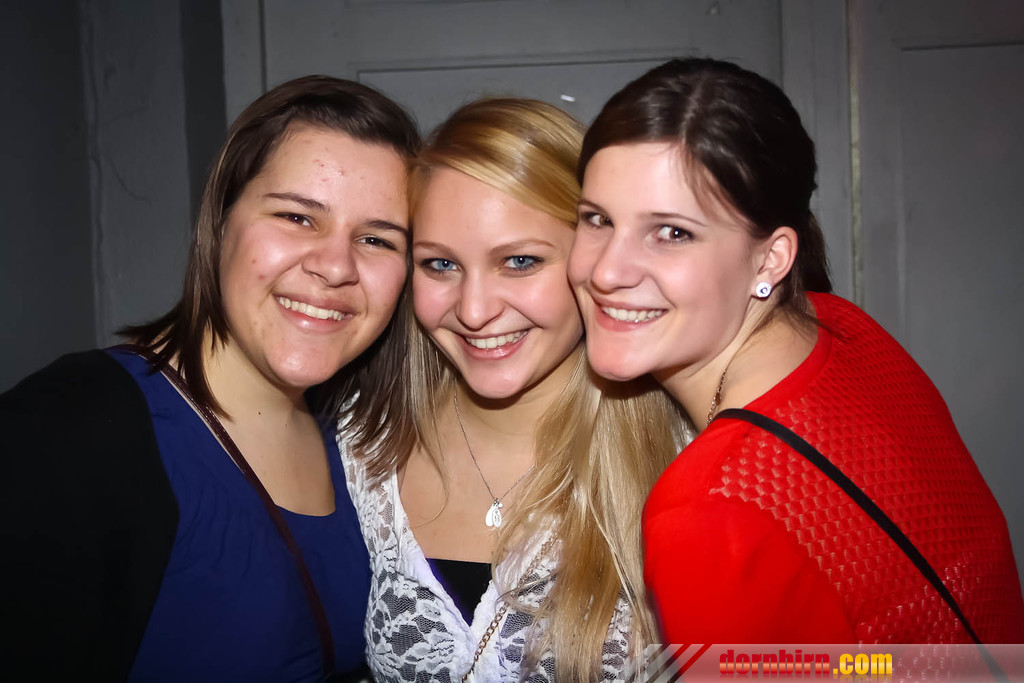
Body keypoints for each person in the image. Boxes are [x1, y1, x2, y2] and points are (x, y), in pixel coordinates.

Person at [567, 57, 1024, 643]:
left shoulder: (710, 511)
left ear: (771, 259)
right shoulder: (847, 329)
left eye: (672, 233)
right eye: (597, 219)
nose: (607, 271)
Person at [0, 75, 419, 680]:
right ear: (221, 222)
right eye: (297, 217)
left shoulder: (357, 440)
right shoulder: (74, 428)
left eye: (376, 238)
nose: (335, 266)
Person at [338, 98, 683, 681]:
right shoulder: (359, 446)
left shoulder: (689, 452)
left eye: (519, 261)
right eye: (440, 265)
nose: (474, 311)